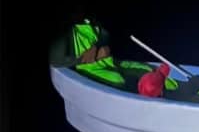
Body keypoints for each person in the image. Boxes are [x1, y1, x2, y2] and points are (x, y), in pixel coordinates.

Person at [49, 15, 178, 92]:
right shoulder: (64, 32)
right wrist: (85, 58)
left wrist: (99, 47)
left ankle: (167, 91)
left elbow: (104, 33)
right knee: (117, 80)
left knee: (150, 70)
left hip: (110, 61)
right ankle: (144, 101)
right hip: (88, 69)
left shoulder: (89, 19)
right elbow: (55, 60)